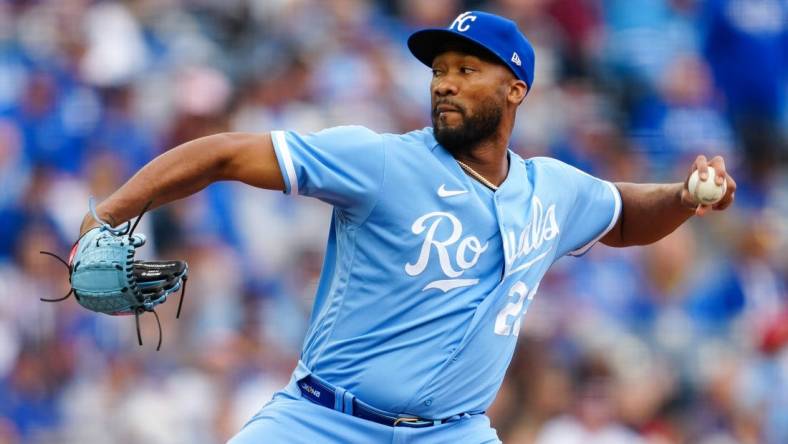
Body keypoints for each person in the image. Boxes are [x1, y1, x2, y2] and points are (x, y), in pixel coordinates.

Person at [77, 11, 736, 444]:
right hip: (323, 420)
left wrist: (683, 195)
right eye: (439, 71)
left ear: (516, 89)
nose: (445, 84)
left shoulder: (551, 190)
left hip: (453, 432)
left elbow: (624, 216)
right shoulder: (382, 162)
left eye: (467, 70)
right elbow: (222, 153)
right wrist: (107, 213)